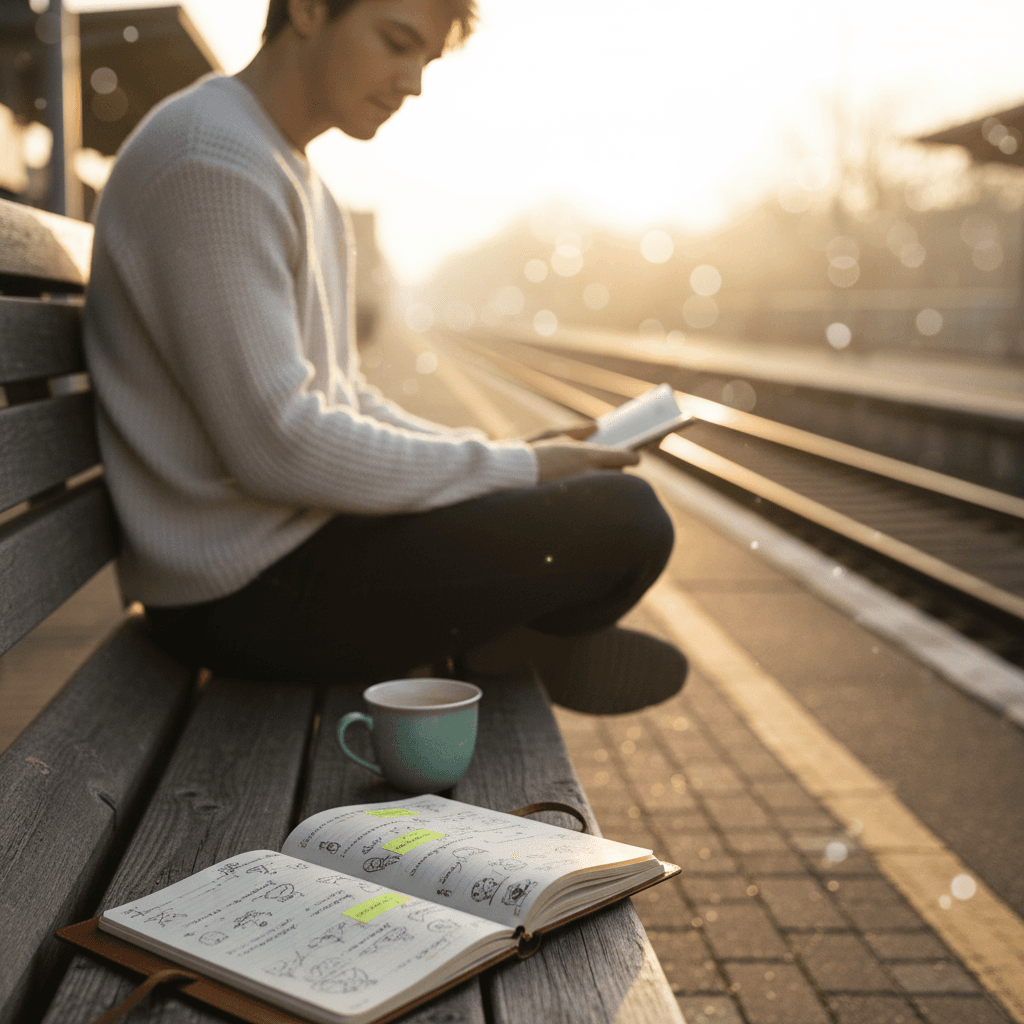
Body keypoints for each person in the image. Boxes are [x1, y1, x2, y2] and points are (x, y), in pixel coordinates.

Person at [83, 0, 686, 713]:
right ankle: (514, 642)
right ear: (308, 9)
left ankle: (506, 641)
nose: (413, 83)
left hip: (295, 550)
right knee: (624, 519)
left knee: (603, 509)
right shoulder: (209, 161)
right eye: (397, 44)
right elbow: (279, 445)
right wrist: (513, 469)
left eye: (425, 61)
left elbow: (345, 398)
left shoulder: (290, 172)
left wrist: (506, 461)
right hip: (236, 596)